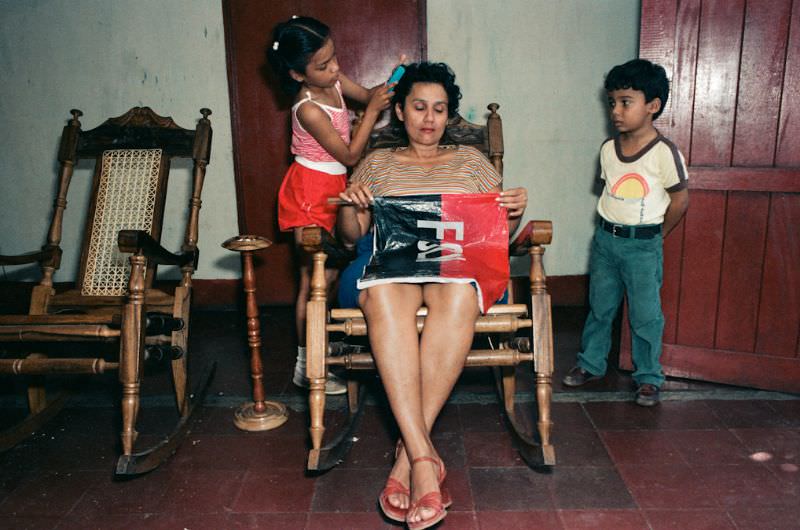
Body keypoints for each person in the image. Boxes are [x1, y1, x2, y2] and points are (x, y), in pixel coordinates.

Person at [337, 62, 527, 530]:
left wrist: (516, 213)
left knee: (460, 296)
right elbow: (349, 237)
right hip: (388, 264)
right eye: (419, 107)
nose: (429, 118)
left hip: (455, 266)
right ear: (400, 111)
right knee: (384, 299)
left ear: (449, 116)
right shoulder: (377, 163)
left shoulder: (471, 163)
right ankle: (425, 456)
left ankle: (409, 461)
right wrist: (350, 206)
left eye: (439, 109)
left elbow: (496, 237)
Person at [267, 15, 395, 395]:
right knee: (312, 280)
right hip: (309, 190)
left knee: (340, 271)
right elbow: (352, 154)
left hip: (335, 186)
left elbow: (370, 95)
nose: (335, 68)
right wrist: (370, 114)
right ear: (296, 75)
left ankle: (329, 351)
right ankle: (306, 365)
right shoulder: (306, 108)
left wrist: (392, 83)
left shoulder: (334, 82)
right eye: (323, 66)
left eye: (334, 58)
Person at [562, 58, 689, 407]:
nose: (616, 111)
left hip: (643, 246)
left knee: (646, 314)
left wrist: (657, 235)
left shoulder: (664, 153)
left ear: (653, 106)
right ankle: (591, 363)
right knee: (600, 307)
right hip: (605, 242)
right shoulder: (607, 150)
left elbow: (680, 200)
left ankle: (648, 377)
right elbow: (609, 192)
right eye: (612, 102)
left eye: (626, 102)